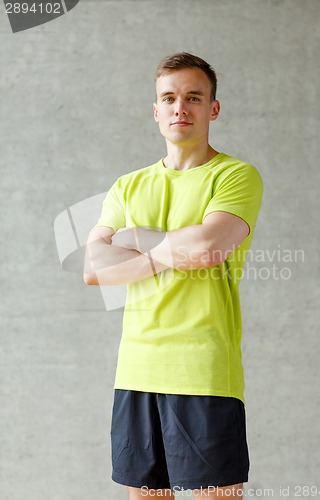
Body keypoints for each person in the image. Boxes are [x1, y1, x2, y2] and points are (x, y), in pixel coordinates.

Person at [84, 52, 263, 500]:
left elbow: (207, 249)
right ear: (156, 109)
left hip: (202, 371)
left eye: (193, 97)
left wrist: (136, 241)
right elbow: (94, 269)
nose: (180, 107)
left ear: (212, 108)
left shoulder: (235, 176)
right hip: (136, 370)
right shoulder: (127, 186)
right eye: (169, 97)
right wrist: (169, 252)